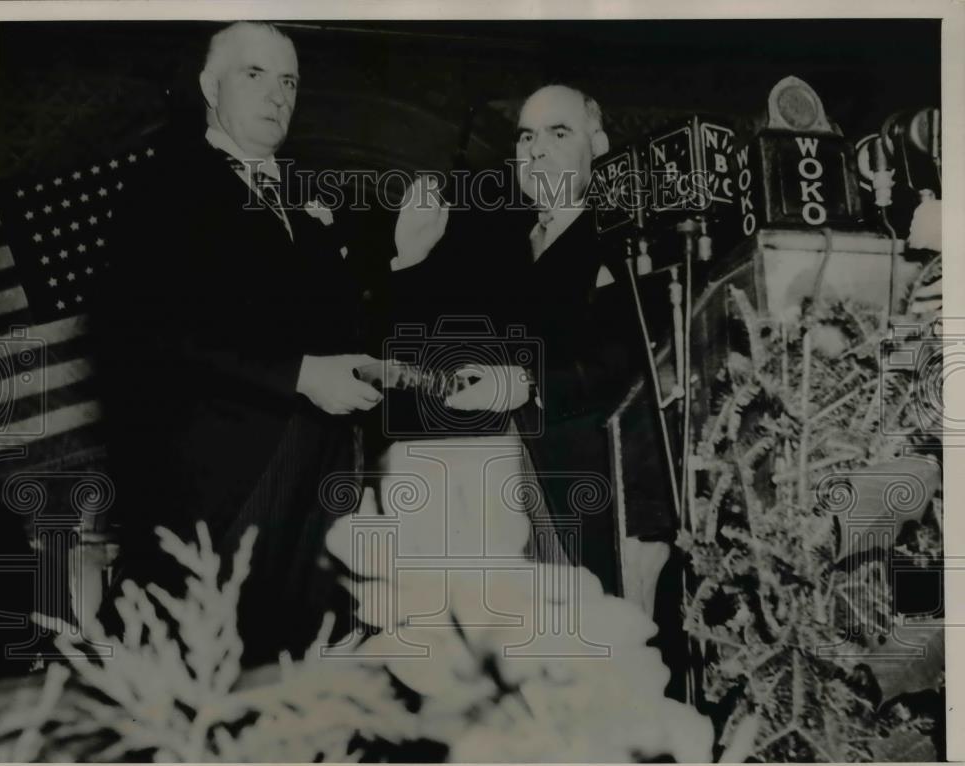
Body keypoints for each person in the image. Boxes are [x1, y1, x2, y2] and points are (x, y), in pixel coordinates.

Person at [93, 21, 391, 665]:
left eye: (288, 81)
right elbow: (147, 331)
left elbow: (338, 326)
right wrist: (300, 374)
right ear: (209, 86)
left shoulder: (297, 199)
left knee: (299, 691)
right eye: (254, 75)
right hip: (216, 495)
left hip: (316, 489)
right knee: (204, 692)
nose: (277, 94)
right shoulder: (165, 187)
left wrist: (401, 265)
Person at [374, 84, 655, 600]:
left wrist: (526, 381)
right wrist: (409, 260)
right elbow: (416, 349)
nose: (536, 149)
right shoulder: (494, 242)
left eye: (558, 132)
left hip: (592, 501)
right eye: (526, 136)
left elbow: (637, 355)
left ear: (598, 146)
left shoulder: (630, 233)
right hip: (493, 505)